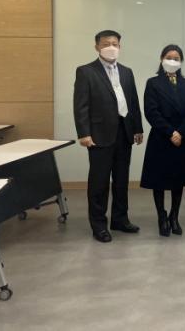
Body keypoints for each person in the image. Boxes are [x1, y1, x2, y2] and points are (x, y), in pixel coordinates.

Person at [73, 30, 143, 243]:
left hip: (124, 132)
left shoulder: (127, 72)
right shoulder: (86, 71)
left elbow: (133, 102)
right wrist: (84, 133)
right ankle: (99, 225)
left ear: (120, 47)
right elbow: (81, 105)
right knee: (99, 183)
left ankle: (120, 219)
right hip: (99, 135)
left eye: (115, 43)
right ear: (97, 47)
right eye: (106, 44)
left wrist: (137, 128)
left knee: (121, 180)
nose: (111, 47)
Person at [140, 44, 185, 237]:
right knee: (159, 181)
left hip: (182, 138)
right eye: (169, 57)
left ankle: (174, 216)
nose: (172, 61)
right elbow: (151, 112)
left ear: (181, 61)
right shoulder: (153, 83)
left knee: (178, 180)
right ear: (161, 59)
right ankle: (161, 217)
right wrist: (170, 132)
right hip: (161, 137)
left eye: (176, 58)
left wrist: (180, 132)